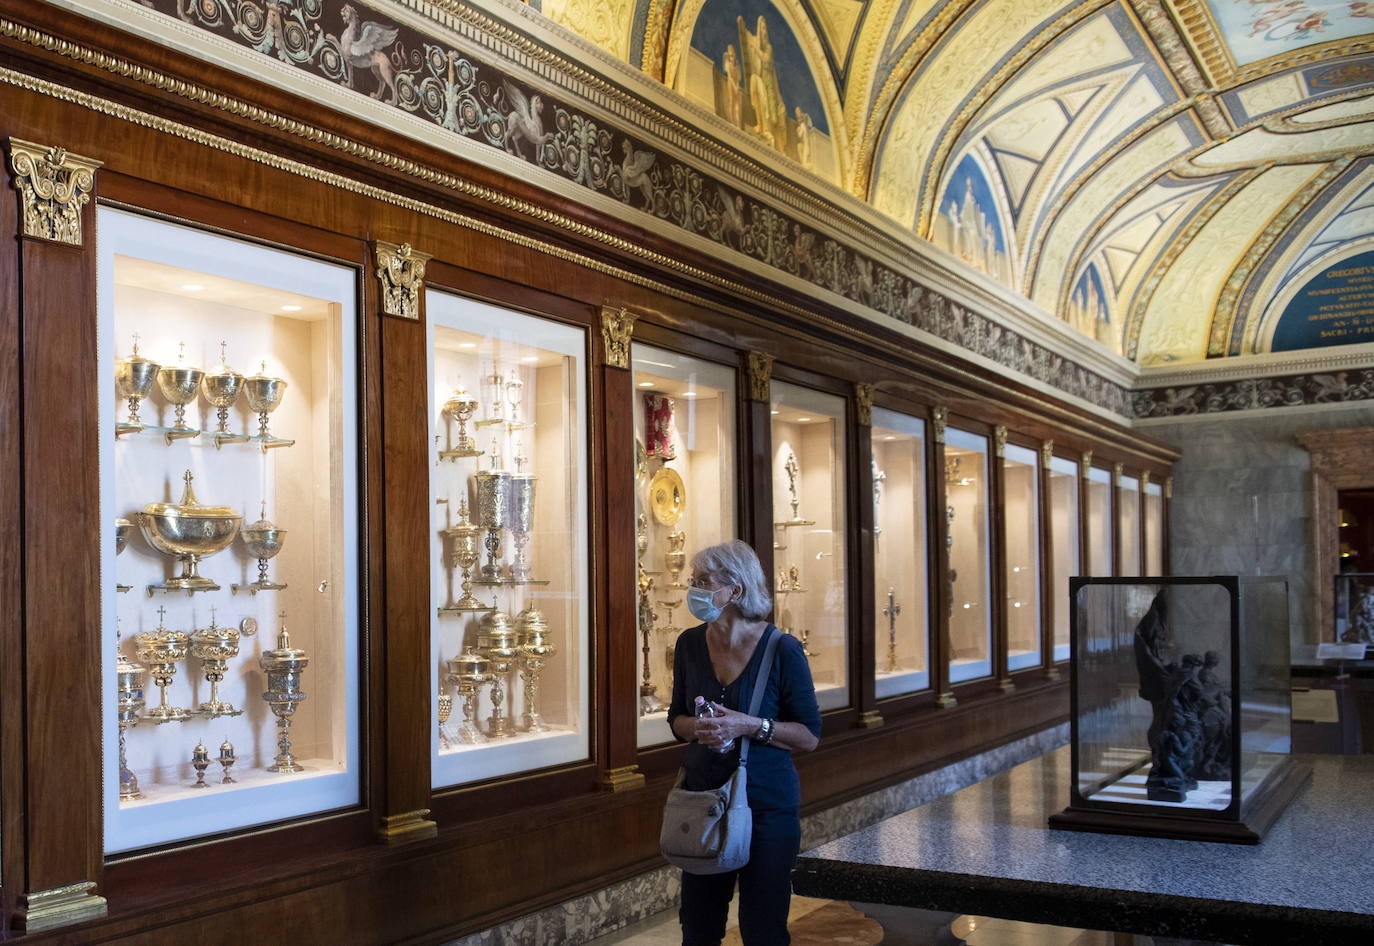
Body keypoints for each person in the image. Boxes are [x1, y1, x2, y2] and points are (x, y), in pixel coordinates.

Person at [668, 540, 821, 946]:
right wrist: (697, 729)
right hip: (706, 803)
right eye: (693, 580)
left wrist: (750, 725)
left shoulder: (782, 649)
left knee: (763, 929)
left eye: (703, 581)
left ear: (735, 590)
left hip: (767, 806)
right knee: (698, 929)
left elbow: (809, 735)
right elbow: (675, 719)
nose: (693, 590)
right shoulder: (688, 644)